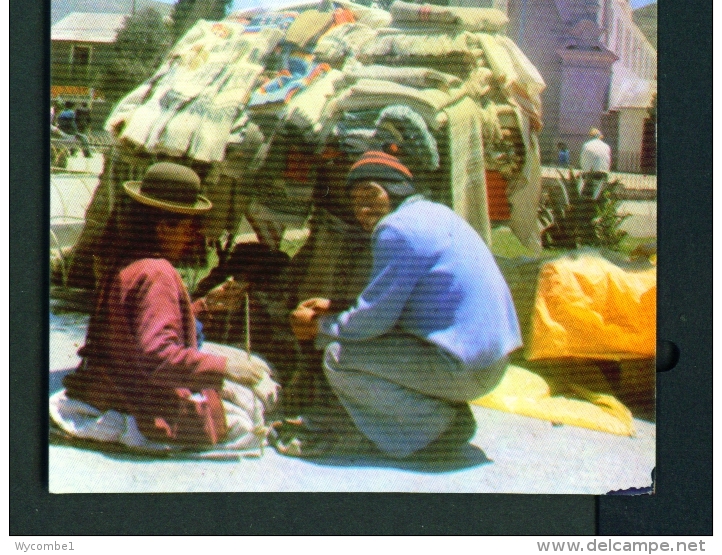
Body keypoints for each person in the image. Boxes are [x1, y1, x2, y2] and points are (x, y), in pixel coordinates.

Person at [285, 151, 522, 460]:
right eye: (355, 201)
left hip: (464, 369)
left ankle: (435, 429)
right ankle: (439, 411)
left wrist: (317, 327)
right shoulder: (435, 213)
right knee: (356, 342)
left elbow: (375, 321)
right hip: (490, 361)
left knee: (338, 356)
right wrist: (337, 305)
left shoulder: (395, 229)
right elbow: (405, 297)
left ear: (395, 189)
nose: (363, 208)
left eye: (371, 194)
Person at [52, 162, 279, 452]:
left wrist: (205, 306)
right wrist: (227, 368)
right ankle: (127, 428)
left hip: (107, 384)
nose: (196, 235)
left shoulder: (125, 261)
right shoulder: (156, 272)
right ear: (163, 226)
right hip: (137, 399)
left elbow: (134, 329)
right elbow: (157, 356)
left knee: (248, 377)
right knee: (256, 398)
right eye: (191, 226)